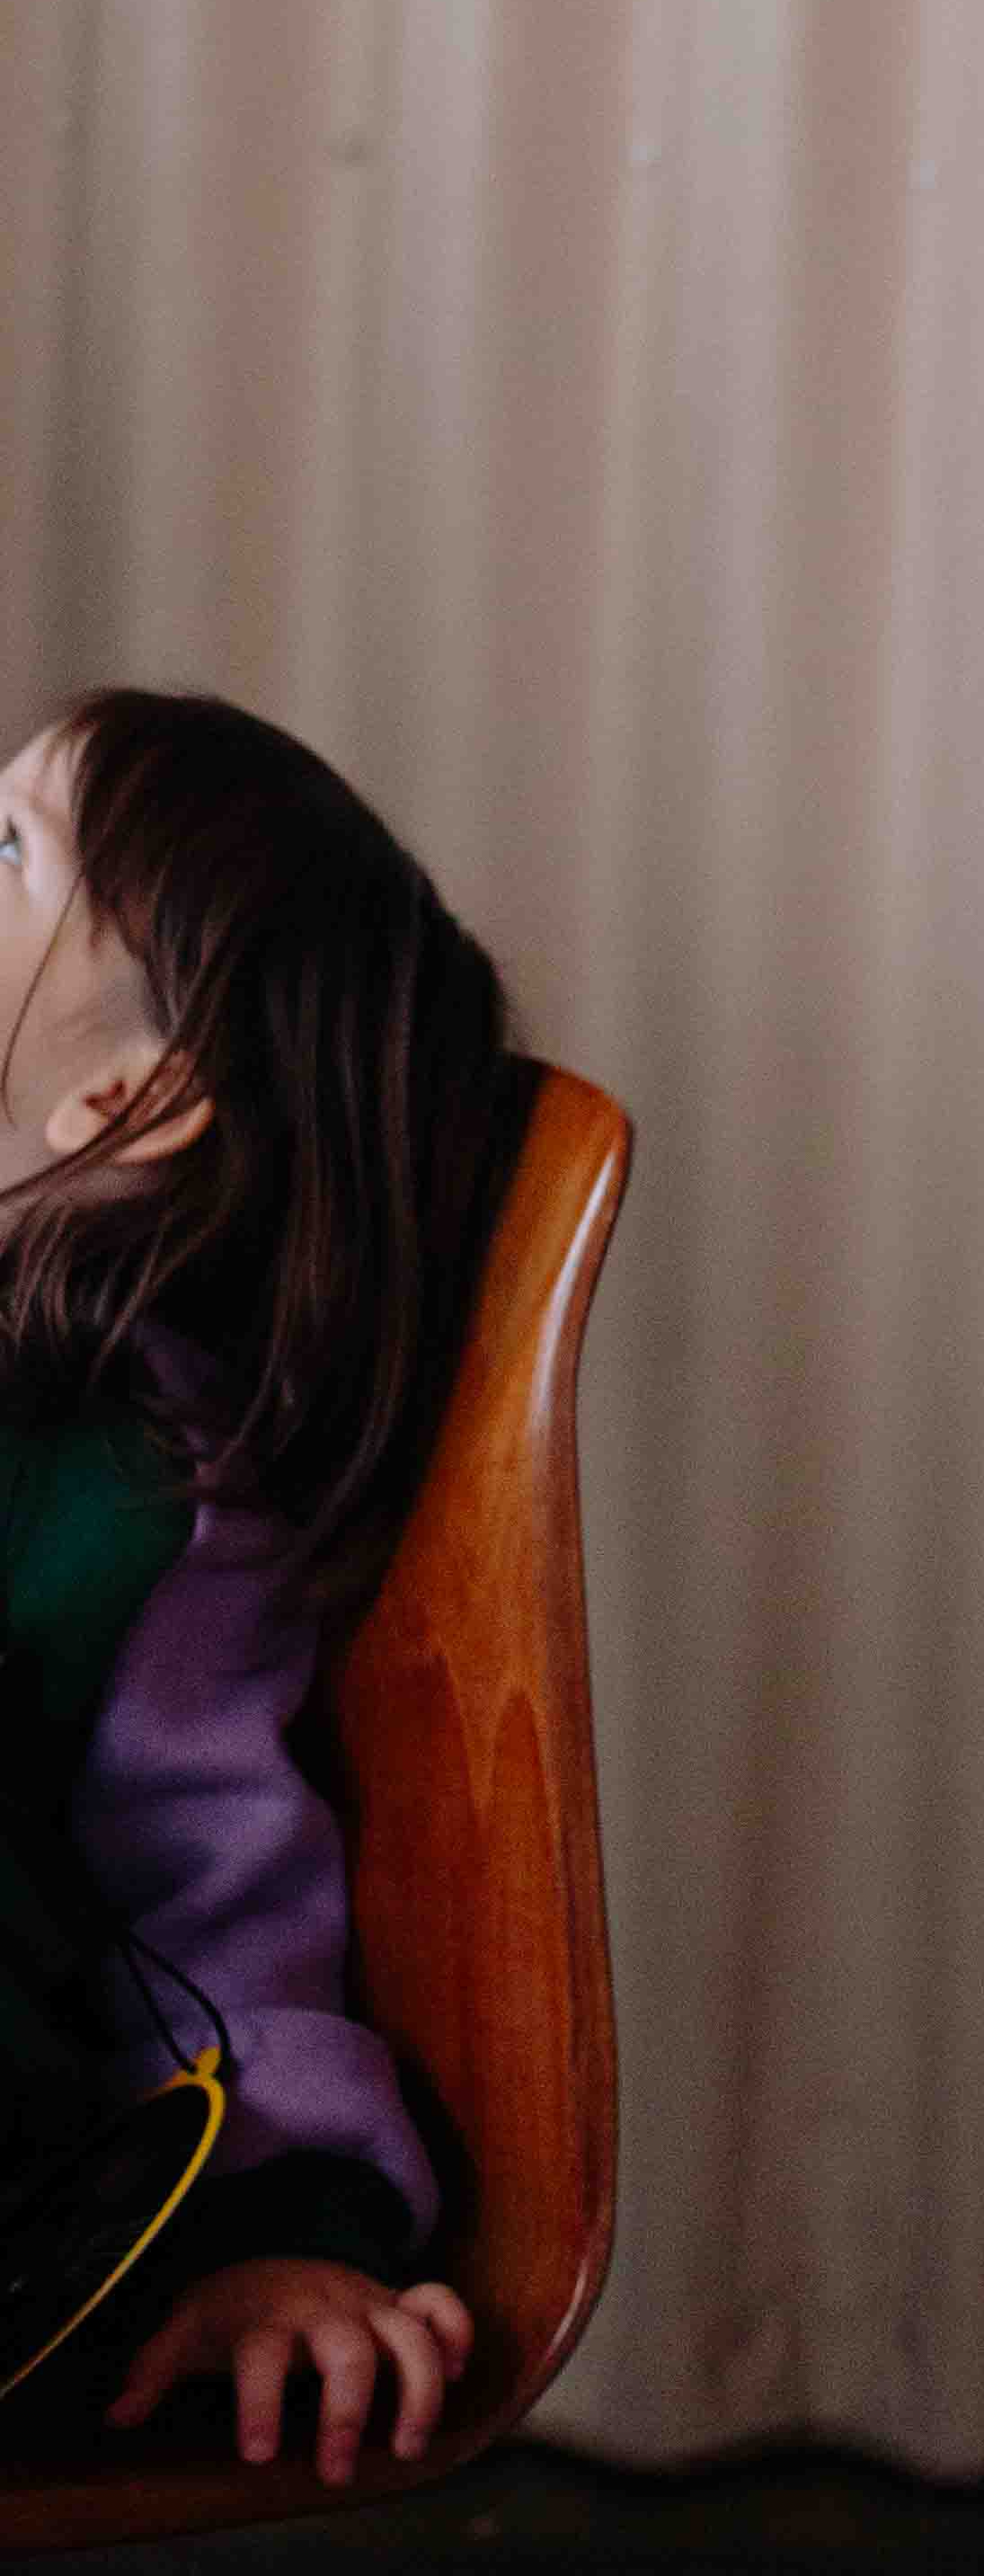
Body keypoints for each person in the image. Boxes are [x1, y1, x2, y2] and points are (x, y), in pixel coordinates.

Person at [0, 687, 525, 2484]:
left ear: (125, 1094)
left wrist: (274, 2220)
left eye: (12, 854)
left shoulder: (138, 1488)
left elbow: (209, 1879)